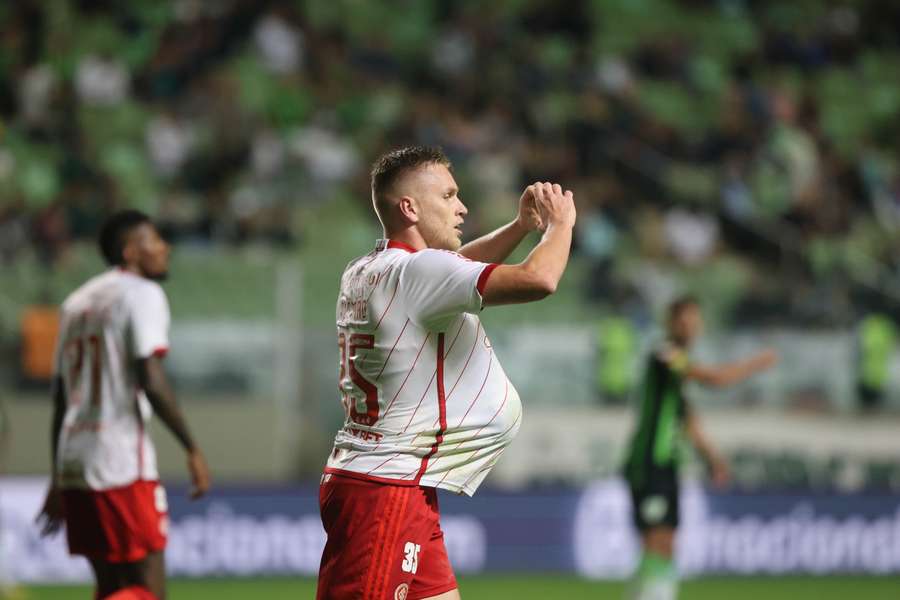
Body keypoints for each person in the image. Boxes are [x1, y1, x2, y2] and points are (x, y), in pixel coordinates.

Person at [317, 145, 576, 600]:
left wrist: (518, 227)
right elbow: (540, 279)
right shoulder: (419, 275)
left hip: (392, 481)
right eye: (449, 195)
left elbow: (450, 270)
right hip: (387, 489)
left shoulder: (366, 269)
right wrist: (561, 224)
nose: (462, 207)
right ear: (410, 207)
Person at [35, 210, 211, 600]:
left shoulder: (75, 303)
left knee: (111, 585)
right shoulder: (142, 293)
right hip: (119, 461)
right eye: (155, 240)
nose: (165, 248)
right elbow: (150, 378)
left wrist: (57, 476)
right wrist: (192, 448)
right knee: (148, 590)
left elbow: (62, 399)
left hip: (74, 460)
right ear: (131, 252)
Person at [622, 295, 777, 600]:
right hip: (650, 461)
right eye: (684, 321)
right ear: (670, 323)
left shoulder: (676, 378)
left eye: (694, 321)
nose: (690, 327)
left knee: (666, 542)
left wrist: (714, 460)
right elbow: (714, 379)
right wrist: (755, 364)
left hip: (667, 465)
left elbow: (689, 421)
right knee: (657, 540)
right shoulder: (663, 353)